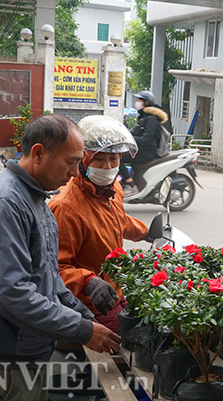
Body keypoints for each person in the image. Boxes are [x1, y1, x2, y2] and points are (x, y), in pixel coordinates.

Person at [0, 114, 121, 401]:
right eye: (71, 161)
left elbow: (50, 277)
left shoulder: (35, 199)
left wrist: (85, 316)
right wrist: (82, 330)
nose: (75, 172)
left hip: (27, 355)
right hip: (2, 364)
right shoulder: (4, 204)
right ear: (38, 153)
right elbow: (13, 293)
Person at [49, 115, 148, 333]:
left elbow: (117, 220)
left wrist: (146, 233)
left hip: (115, 290)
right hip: (90, 304)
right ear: (83, 161)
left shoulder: (114, 190)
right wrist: (88, 282)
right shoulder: (66, 207)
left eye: (114, 159)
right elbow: (54, 268)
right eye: (99, 159)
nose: (108, 166)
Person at [119, 90, 168, 196]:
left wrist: (129, 140)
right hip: (139, 150)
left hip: (146, 152)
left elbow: (146, 139)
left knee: (117, 157)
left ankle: (130, 184)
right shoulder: (143, 117)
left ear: (146, 103)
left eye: (139, 100)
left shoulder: (152, 119)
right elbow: (134, 134)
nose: (137, 102)